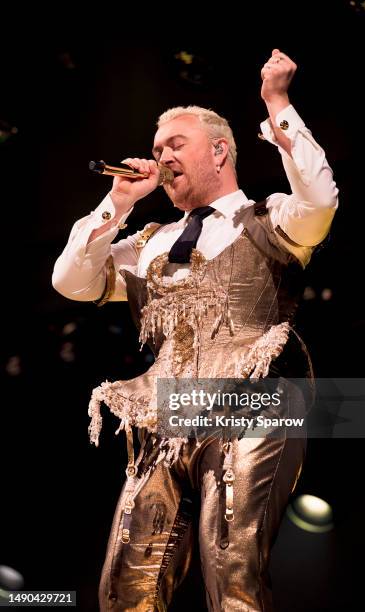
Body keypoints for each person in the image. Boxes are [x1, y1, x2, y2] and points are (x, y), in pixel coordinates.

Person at [52, 48, 338, 611]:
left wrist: (278, 104)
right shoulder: (149, 243)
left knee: (232, 568)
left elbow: (320, 199)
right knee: (124, 589)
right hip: (167, 412)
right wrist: (119, 200)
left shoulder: (269, 218)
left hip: (254, 404)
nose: (160, 157)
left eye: (174, 145)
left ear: (220, 150)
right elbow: (72, 282)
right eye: (157, 149)